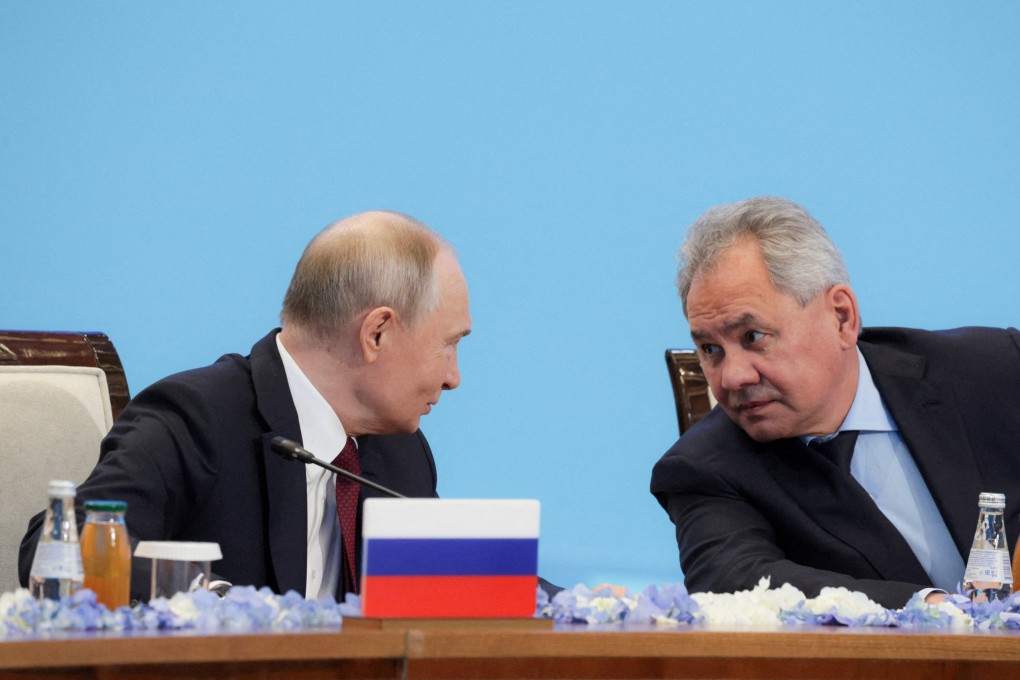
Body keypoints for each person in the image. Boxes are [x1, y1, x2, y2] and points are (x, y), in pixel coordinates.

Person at [19, 210, 472, 602]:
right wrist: (211, 600)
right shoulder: (198, 417)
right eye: (448, 344)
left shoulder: (402, 456)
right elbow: (60, 545)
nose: (453, 377)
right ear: (377, 333)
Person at [650, 196, 1020, 609]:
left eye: (753, 336)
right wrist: (933, 610)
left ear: (841, 317)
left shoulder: (996, 369)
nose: (732, 377)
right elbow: (733, 582)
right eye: (710, 348)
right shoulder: (705, 468)